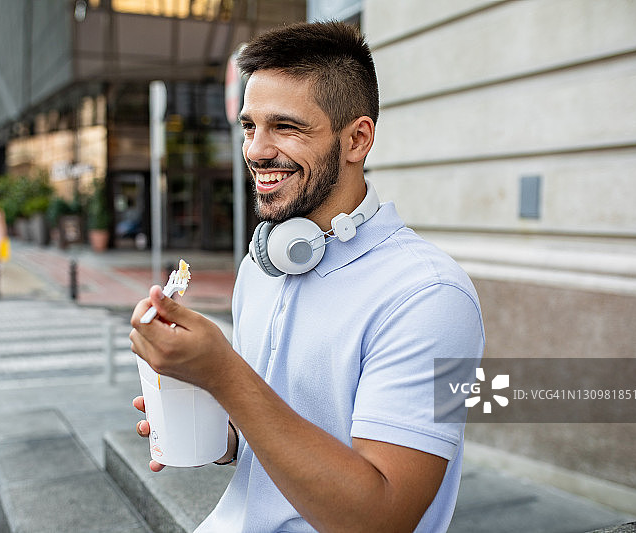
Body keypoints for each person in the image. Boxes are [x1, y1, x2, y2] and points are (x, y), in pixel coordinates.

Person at [129, 21, 485, 532]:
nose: (255, 150)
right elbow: (276, 431)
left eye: (286, 127)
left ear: (357, 139)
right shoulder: (262, 265)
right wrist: (215, 427)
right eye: (249, 126)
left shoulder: (436, 297)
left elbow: (384, 518)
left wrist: (225, 374)